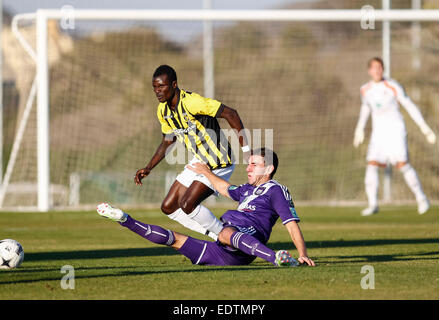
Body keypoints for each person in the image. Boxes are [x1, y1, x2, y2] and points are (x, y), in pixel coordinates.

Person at [98, 148, 315, 267]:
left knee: (225, 231)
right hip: (224, 252)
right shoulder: (247, 190)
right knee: (174, 240)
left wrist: (302, 254)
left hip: (246, 237)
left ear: (269, 168)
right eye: (248, 163)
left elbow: (291, 224)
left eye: (254, 164)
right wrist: (206, 173)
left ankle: (276, 258)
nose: (248, 168)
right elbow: (225, 188)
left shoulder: (276, 190)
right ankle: (125, 219)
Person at [134, 65, 250, 240]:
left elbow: (231, 113)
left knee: (187, 204)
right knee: (169, 206)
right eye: (155, 87)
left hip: (218, 161)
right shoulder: (163, 110)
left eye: (162, 86)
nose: (157, 91)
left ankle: (233, 239)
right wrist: (148, 167)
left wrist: (247, 151)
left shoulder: (192, 102)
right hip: (199, 161)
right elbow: (168, 140)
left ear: (174, 84)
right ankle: (219, 235)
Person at [354, 57, 436, 216]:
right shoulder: (365, 89)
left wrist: (424, 127)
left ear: (383, 69)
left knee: (402, 165)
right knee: (371, 165)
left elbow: (410, 106)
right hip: (378, 134)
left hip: (395, 131)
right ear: (369, 71)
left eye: (380, 68)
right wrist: (359, 129)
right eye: (374, 68)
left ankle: (421, 198)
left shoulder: (393, 86)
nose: (377, 71)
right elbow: (365, 109)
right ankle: (373, 204)